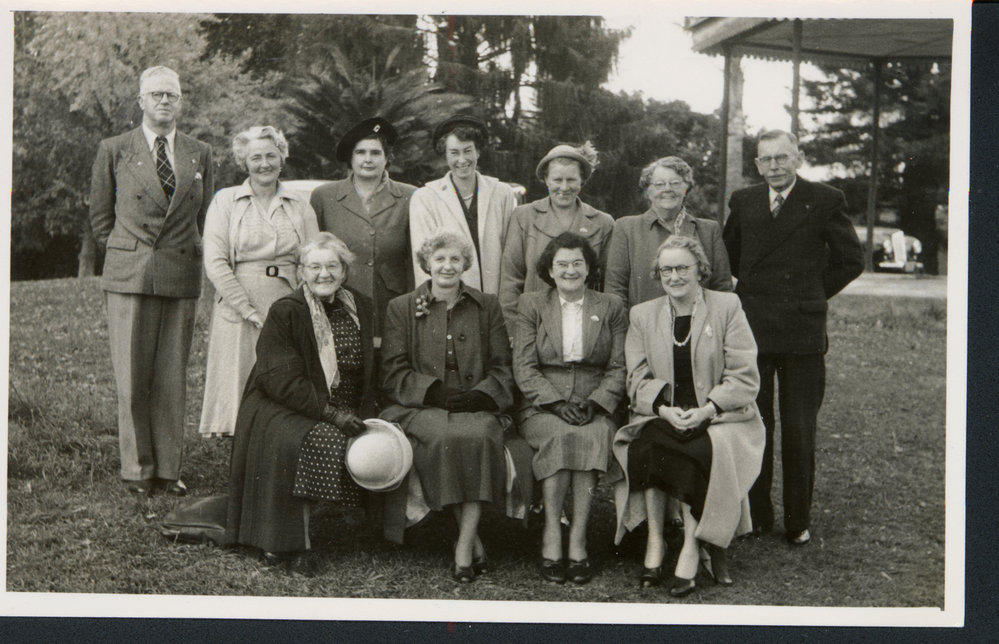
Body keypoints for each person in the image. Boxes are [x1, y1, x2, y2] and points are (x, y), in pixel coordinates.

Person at [723, 129, 864, 546]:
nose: (774, 166)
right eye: (766, 159)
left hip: (802, 333)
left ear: (798, 158)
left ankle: (797, 519)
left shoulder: (825, 199)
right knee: (756, 423)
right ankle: (758, 515)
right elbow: (730, 256)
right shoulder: (744, 200)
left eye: (782, 157)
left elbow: (850, 260)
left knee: (799, 428)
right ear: (756, 164)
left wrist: (810, 294)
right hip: (754, 330)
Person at [611, 236, 764, 596]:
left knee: (696, 451)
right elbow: (636, 377)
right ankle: (655, 541)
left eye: (682, 268)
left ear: (700, 271)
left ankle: (691, 548)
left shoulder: (727, 306)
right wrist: (663, 409)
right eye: (666, 269)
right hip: (664, 415)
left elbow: (744, 375)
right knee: (648, 444)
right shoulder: (643, 315)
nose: (674, 276)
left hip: (721, 417)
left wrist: (707, 410)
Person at [89, 66, 215, 496]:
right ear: (140, 101)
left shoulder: (200, 152)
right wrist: (126, 251)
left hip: (180, 271)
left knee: (171, 376)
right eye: (156, 94)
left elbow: (204, 214)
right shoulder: (114, 149)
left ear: (181, 102)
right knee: (131, 374)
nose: (164, 101)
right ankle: (137, 468)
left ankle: (168, 468)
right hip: (130, 273)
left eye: (171, 95)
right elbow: (100, 216)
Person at [226, 232, 378, 570]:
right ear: (301, 272)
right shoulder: (287, 311)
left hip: (344, 404)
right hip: (285, 405)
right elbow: (279, 379)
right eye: (314, 267)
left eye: (332, 266)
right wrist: (331, 414)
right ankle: (292, 541)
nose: (324, 274)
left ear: (344, 271)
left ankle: (367, 522)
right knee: (320, 440)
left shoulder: (360, 306)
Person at [380, 231, 515, 583]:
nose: (447, 266)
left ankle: (464, 545)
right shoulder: (402, 307)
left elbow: (502, 365)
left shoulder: (487, 305)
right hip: (422, 406)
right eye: (439, 259)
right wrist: (433, 393)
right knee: (444, 438)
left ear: (465, 264)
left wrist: (481, 395)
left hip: (477, 404)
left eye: (455, 259)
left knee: (480, 436)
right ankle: (473, 543)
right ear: (427, 263)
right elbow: (393, 370)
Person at [511, 233, 627, 585]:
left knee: (592, 436)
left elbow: (619, 366)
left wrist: (597, 403)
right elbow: (524, 367)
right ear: (549, 270)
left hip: (594, 403)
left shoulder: (611, 306)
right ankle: (551, 532)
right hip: (542, 404)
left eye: (578, 263)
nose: (570, 270)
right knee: (560, 436)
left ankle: (578, 538)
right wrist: (555, 403)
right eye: (561, 264)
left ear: (589, 268)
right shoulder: (532, 304)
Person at [199, 126, 320, 438]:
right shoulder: (226, 201)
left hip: (287, 303)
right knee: (240, 383)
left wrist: (302, 305)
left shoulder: (299, 205)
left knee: (285, 379)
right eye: (255, 158)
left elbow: (313, 258)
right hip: (239, 305)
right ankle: (240, 454)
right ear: (244, 162)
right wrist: (247, 309)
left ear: (282, 158)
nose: (264, 164)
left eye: (271, 156)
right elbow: (215, 262)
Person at [310, 117, 417, 338]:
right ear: (350, 157)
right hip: (337, 302)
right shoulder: (324, 197)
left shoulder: (410, 196)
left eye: (376, 153)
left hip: (392, 307)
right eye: (360, 152)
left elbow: (415, 259)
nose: (368, 159)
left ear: (387, 158)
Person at [499, 142, 615, 331]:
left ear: (582, 180)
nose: (564, 187)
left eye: (571, 180)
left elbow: (609, 284)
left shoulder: (603, 223)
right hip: (535, 327)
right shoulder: (524, 217)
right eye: (557, 180)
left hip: (585, 328)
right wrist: (515, 332)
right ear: (546, 179)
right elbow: (511, 280)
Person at [604, 156, 733, 310]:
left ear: (686, 188)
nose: (667, 189)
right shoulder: (626, 228)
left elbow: (722, 289)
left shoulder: (709, 230)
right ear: (648, 191)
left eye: (675, 183)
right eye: (659, 184)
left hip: (700, 323)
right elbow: (615, 290)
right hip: (643, 324)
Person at [409, 115, 515, 295]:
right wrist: (433, 305)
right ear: (445, 154)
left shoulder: (502, 193)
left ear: (478, 152)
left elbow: (511, 256)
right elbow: (423, 263)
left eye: (468, 151)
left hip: (496, 299)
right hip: (450, 301)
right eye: (454, 153)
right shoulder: (425, 198)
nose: (462, 159)